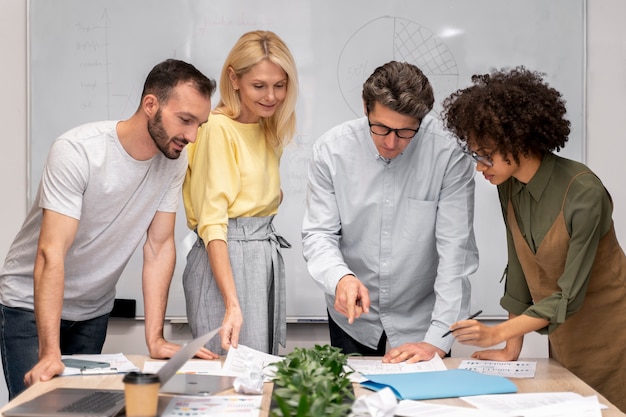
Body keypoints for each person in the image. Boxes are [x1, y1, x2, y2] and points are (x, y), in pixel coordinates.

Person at [0, 59, 217, 399]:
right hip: (29, 305)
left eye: (198, 125)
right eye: (185, 120)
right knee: (38, 409)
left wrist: (156, 338)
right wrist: (49, 351)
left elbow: (159, 248)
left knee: (82, 409)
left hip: (92, 310)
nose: (191, 136)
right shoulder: (77, 151)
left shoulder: (173, 162)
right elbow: (50, 253)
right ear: (151, 105)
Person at [441, 66, 626, 411]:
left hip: (613, 333)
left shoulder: (583, 192)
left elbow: (569, 296)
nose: (480, 167)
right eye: (475, 155)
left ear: (518, 141)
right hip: (565, 335)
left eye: (485, 155)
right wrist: (511, 348)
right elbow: (520, 268)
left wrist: (496, 332)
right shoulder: (508, 185)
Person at [301, 61, 479, 363]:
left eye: (406, 131)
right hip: (353, 318)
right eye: (381, 127)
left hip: (423, 321)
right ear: (366, 108)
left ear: (422, 120)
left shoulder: (448, 154)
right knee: (351, 405)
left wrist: (437, 341)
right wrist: (340, 278)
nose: (391, 142)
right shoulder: (331, 152)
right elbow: (319, 234)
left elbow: (455, 254)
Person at [182, 30, 298, 355]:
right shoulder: (217, 128)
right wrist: (232, 303)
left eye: (279, 85)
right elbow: (213, 223)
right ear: (233, 79)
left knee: (260, 374)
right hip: (225, 257)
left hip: (261, 253)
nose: (271, 96)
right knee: (231, 380)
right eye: (259, 86)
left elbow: (260, 195)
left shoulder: (267, 125)